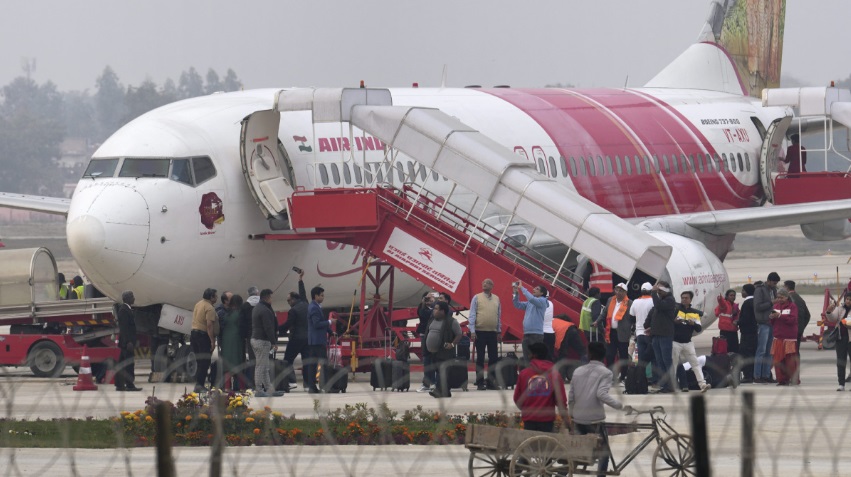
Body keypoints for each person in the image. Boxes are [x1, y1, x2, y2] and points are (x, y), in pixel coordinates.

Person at [569, 342, 631, 477]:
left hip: (578, 418)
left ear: (589, 354)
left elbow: (571, 398)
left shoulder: (577, 371)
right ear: (603, 356)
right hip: (594, 420)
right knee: (604, 454)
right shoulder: (606, 373)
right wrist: (620, 406)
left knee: (580, 450)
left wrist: (571, 416)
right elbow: (601, 394)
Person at [513, 342, 570, 433]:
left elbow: (517, 398)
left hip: (529, 420)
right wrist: (568, 424)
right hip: (547, 420)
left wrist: (527, 410)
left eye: (530, 353)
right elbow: (561, 401)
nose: (528, 355)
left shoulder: (524, 374)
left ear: (534, 355)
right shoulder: (554, 374)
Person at [672, 291, 711, 393]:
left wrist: (693, 324)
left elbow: (699, 329)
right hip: (675, 342)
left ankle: (702, 384)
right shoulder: (675, 309)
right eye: (682, 298)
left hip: (688, 342)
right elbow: (668, 324)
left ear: (690, 300)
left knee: (695, 364)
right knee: (674, 364)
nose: (684, 300)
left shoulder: (694, 313)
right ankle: (672, 385)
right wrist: (674, 321)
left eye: (686, 298)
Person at [469, 279, 501, 390]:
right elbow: (472, 314)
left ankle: (491, 381)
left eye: (487, 283)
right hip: (480, 332)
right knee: (480, 358)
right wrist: (472, 330)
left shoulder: (496, 298)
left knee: (494, 358)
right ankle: (479, 382)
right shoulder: (477, 297)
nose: (484, 284)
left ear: (492, 286)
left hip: (492, 332)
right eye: (483, 283)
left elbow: (498, 315)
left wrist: (499, 330)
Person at [251, 289, 284, 397]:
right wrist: (274, 342)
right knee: (261, 366)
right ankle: (259, 389)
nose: (272, 299)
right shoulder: (264, 310)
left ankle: (269, 389)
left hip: (256, 339)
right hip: (262, 340)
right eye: (271, 297)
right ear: (267, 297)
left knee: (264, 366)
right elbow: (268, 327)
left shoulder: (258, 308)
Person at [426, 301, 462, 398]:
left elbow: (459, 334)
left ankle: (438, 391)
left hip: (445, 352)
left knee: (443, 372)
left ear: (443, 311)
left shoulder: (451, 321)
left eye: (436, 309)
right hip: (434, 352)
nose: (434, 311)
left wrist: (452, 344)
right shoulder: (432, 320)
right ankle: (446, 392)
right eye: (434, 309)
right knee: (440, 371)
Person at [646, 280, 676, 393]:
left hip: (665, 336)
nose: (658, 292)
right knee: (660, 361)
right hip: (657, 335)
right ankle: (665, 384)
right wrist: (652, 329)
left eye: (660, 290)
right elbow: (657, 317)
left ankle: (671, 384)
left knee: (666, 360)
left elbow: (658, 305)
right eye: (657, 290)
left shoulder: (669, 300)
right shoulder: (661, 301)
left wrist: (653, 293)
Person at [597, 282, 631, 383]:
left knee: (623, 355)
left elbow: (632, 317)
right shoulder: (610, 300)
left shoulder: (629, 303)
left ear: (625, 292)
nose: (618, 292)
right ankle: (609, 376)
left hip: (622, 333)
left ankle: (623, 376)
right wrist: (597, 321)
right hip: (610, 332)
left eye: (621, 291)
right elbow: (604, 313)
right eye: (616, 290)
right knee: (609, 355)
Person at [281, 270, 309, 389]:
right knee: (306, 361)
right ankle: (308, 384)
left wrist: (276, 329)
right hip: (307, 339)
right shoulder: (305, 303)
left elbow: (288, 324)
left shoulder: (293, 310)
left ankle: (292, 382)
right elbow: (303, 293)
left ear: (293, 300)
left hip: (296, 338)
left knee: (287, 360)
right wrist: (300, 280)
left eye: (288, 300)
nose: (288, 302)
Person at [513, 281, 549, 364]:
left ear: (542, 293)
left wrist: (522, 288)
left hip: (536, 334)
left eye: (537, 289)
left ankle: (536, 375)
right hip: (526, 333)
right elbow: (517, 305)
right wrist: (515, 293)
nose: (534, 289)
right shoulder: (530, 302)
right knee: (527, 359)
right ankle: (528, 374)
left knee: (536, 358)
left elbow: (532, 299)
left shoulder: (543, 301)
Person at [753, 272, 780, 384]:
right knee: (761, 350)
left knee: (769, 351)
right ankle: (757, 375)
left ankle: (766, 374)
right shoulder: (760, 290)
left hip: (771, 322)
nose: (774, 285)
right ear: (768, 280)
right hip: (763, 322)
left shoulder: (773, 290)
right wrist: (771, 303)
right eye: (773, 283)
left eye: (776, 283)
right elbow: (758, 307)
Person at [191, 288, 219, 393]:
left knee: (200, 361)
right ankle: (199, 385)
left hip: (194, 334)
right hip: (203, 335)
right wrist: (212, 340)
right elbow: (209, 325)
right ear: (211, 297)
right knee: (205, 361)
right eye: (215, 296)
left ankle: (199, 384)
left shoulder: (199, 304)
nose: (217, 298)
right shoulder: (209, 308)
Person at [307, 285, 333, 394]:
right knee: (324, 364)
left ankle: (312, 387)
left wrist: (331, 332)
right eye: (321, 295)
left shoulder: (316, 306)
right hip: (317, 341)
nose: (323, 297)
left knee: (313, 365)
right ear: (316, 296)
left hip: (315, 341)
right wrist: (330, 322)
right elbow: (317, 324)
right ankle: (326, 387)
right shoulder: (314, 307)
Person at [770, 289, 799, 386]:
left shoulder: (792, 306)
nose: (779, 299)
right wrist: (771, 318)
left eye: (781, 297)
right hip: (778, 337)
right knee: (778, 360)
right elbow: (773, 322)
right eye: (778, 297)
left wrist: (780, 316)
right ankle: (781, 379)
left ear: (787, 297)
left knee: (789, 360)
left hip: (789, 338)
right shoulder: (775, 306)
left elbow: (793, 320)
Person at [629, 283, 656, 385]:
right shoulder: (653, 301)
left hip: (639, 334)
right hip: (650, 334)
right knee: (653, 357)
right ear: (650, 291)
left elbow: (631, 317)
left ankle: (641, 379)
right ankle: (654, 380)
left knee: (641, 358)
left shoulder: (635, 302)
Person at [115, 290, 142, 392]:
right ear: (127, 299)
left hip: (126, 343)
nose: (134, 298)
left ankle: (119, 384)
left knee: (122, 364)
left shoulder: (127, 309)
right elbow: (124, 328)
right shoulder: (124, 310)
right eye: (132, 296)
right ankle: (129, 385)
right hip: (127, 343)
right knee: (129, 364)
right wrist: (128, 342)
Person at [220, 294, 246, 391]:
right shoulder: (239, 314)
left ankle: (227, 387)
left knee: (228, 364)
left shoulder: (227, 314)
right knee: (238, 363)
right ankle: (242, 387)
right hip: (237, 340)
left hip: (226, 340)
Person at [825, 293, 851, 391]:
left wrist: (847, 322)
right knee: (841, 361)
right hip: (841, 338)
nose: (848, 301)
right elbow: (832, 318)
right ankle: (841, 384)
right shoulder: (840, 308)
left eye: (850, 299)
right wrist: (829, 311)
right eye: (847, 299)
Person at [552, 314, 587, 381]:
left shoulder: (549, 323)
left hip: (563, 333)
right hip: (572, 329)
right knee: (582, 351)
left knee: (562, 355)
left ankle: (561, 377)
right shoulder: (563, 322)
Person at [416, 292, 436, 393]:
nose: (429, 299)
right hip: (425, 334)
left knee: (434, 359)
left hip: (434, 335)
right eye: (427, 297)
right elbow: (424, 314)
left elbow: (436, 314)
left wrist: (433, 303)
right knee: (427, 359)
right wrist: (424, 302)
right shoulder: (422, 308)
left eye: (431, 297)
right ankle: (427, 383)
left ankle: (434, 382)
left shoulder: (436, 308)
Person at [738, 284, 758, 384]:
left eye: (743, 290)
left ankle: (747, 376)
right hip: (754, 332)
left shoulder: (747, 303)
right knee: (752, 353)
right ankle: (753, 374)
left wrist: (737, 322)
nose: (741, 292)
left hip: (747, 333)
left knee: (746, 354)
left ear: (747, 292)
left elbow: (745, 319)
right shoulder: (755, 301)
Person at [784, 280, 811, 354]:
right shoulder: (800, 299)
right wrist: (801, 327)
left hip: (790, 330)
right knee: (796, 351)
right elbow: (808, 315)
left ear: (786, 287)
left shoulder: (788, 299)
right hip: (799, 330)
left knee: (789, 352)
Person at [715, 289, 740, 353]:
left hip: (733, 332)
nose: (733, 297)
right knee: (725, 350)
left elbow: (739, 316)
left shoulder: (735, 306)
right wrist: (720, 299)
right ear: (727, 296)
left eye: (734, 295)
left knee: (735, 350)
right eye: (731, 295)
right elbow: (722, 304)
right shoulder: (725, 305)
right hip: (725, 332)